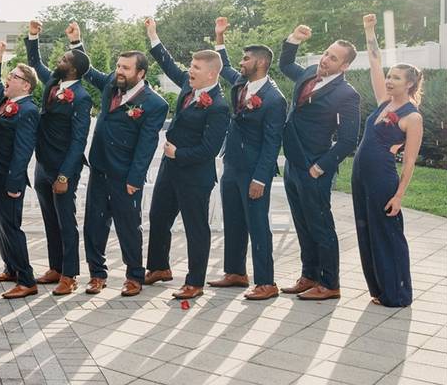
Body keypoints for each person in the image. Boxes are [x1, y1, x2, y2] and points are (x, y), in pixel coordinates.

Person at [67, 22, 168, 298]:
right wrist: (77, 42)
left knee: (128, 227)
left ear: (141, 73)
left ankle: (134, 276)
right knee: (93, 225)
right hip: (99, 168)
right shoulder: (112, 84)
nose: (118, 71)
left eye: (125, 68)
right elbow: (88, 72)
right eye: (118, 66)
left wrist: (135, 179)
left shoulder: (155, 104)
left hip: (125, 176)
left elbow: (147, 146)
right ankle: (97, 275)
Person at [144, 17, 230, 300]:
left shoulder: (218, 107)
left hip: (195, 176)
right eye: (191, 66)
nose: (189, 70)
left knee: (195, 228)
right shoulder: (188, 85)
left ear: (211, 75)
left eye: (195, 68)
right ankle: (159, 267)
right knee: (157, 217)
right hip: (171, 170)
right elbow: (168, 63)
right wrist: (153, 35)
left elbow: (210, 149)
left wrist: (177, 153)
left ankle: (195, 282)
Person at [279, 24, 360, 300]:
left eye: (334, 58)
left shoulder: (347, 94)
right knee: (302, 222)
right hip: (292, 162)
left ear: (345, 66)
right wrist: (294, 39)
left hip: (315, 168)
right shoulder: (308, 74)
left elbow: (349, 140)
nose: (326, 59)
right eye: (326, 53)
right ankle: (309, 275)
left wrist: (320, 167)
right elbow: (286, 63)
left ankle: (330, 283)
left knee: (320, 225)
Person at [209, 18, 287, 301]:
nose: (241, 63)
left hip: (254, 170)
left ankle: (267, 282)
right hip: (232, 164)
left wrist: (260, 178)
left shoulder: (275, 99)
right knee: (234, 220)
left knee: (257, 225)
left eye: (247, 58)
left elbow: (272, 143)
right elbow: (225, 66)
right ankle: (235, 272)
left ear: (262, 63)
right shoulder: (241, 83)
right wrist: (219, 38)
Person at [352, 14, 422, 307]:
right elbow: (374, 62)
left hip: (382, 178)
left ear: (408, 85)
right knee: (366, 229)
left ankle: (398, 293)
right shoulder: (384, 102)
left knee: (387, 234)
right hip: (360, 175)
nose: (389, 80)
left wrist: (399, 195)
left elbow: (409, 163)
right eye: (390, 76)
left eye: (396, 78)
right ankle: (379, 289)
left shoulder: (412, 117)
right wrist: (370, 30)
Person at [24, 21, 92, 296]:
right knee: (49, 219)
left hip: (64, 168)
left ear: (73, 68)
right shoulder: (53, 83)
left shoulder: (82, 97)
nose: (59, 60)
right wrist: (33, 36)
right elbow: (34, 63)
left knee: (66, 221)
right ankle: (54, 267)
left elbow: (79, 141)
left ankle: (70, 274)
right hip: (43, 164)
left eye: (64, 58)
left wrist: (64, 175)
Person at [0, 41, 40, 299]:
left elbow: (23, 151)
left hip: (8, 179)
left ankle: (27, 280)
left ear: (26, 85)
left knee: (11, 227)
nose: (7, 79)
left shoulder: (27, 110)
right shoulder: (7, 99)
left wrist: (15, 184)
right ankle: (11, 268)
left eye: (13, 76)